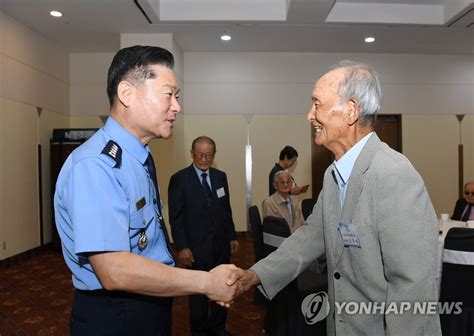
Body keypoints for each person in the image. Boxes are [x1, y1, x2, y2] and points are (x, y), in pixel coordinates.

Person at [230, 60, 441, 335]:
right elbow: (311, 237)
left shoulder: (393, 174)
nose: (309, 115)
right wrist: (254, 275)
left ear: (351, 110)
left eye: (316, 104)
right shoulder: (333, 175)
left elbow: (412, 286)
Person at [54, 45, 239, 336]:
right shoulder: (96, 166)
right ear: (127, 93)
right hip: (116, 314)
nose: (177, 107)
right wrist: (205, 283)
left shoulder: (137, 156)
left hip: (148, 301)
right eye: (169, 95)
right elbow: (114, 270)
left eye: (178, 97)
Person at [168, 136, 239, 336]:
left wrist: (232, 236)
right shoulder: (179, 179)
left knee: (224, 287)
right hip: (195, 248)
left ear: (214, 155)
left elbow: (226, 210)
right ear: (192, 153)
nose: (204, 158)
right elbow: (176, 217)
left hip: (220, 245)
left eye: (208, 155)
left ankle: (218, 327)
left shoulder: (220, 177)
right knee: (198, 293)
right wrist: (182, 247)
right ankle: (198, 331)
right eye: (199, 154)